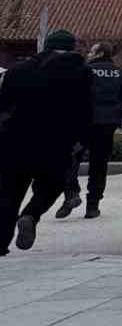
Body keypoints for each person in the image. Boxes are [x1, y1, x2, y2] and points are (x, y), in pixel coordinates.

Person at [0, 30, 91, 255]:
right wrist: (82, 140)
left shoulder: (18, 70)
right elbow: (85, 110)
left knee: (9, 192)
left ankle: (0, 244)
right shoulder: (81, 72)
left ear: (46, 46)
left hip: (15, 140)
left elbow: (3, 106)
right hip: (57, 142)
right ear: (71, 48)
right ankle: (31, 215)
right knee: (52, 185)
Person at [70, 43, 122, 221]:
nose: (88, 54)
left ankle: (71, 193)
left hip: (82, 122)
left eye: (91, 51)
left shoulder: (83, 71)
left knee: (72, 158)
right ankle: (93, 206)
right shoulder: (121, 73)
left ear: (99, 53)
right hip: (107, 123)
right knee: (99, 165)